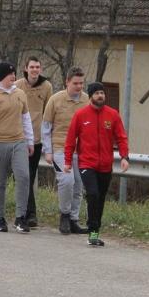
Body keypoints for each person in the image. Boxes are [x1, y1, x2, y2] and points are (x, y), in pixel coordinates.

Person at [64, 82, 130, 247]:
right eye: (97, 93)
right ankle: (91, 227)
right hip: (87, 163)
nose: (100, 96)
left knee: (100, 198)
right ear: (91, 96)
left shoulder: (113, 115)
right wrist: (67, 161)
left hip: (105, 165)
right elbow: (71, 139)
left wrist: (124, 157)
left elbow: (121, 137)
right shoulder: (81, 115)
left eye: (102, 93)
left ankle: (95, 232)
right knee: (92, 194)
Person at [0, 62, 33, 233]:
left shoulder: (20, 94)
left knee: (24, 177)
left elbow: (26, 118)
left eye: (14, 73)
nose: (13, 76)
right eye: (10, 74)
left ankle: (20, 217)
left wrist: (30, 141)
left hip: (18, 141)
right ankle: (0, 218)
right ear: (2, 75)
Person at [43, 67, 89, 235]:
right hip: (60, 148)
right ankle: (64, 214)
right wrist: (48, 151)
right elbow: (46, 127)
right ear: (67, 82)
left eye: (81, 83)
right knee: (67, 181)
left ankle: (74, 219)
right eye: (75, 83)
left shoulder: (86, 100)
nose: (79, 87)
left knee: (78, 184)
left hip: (81, 150)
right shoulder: (55, 100)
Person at [15, 57, 53, 227]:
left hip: (36, 140)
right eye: (32, 67)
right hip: (18, 138)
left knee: (28, 176)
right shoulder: (17, 86)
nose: (35, 70)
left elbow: (49, 112)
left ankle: (28, 213)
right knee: (22, 177)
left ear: (41, 68)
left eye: (37, 67)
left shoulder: (47, 87)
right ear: (26, 68)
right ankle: (26, 212)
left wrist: (47, 139)